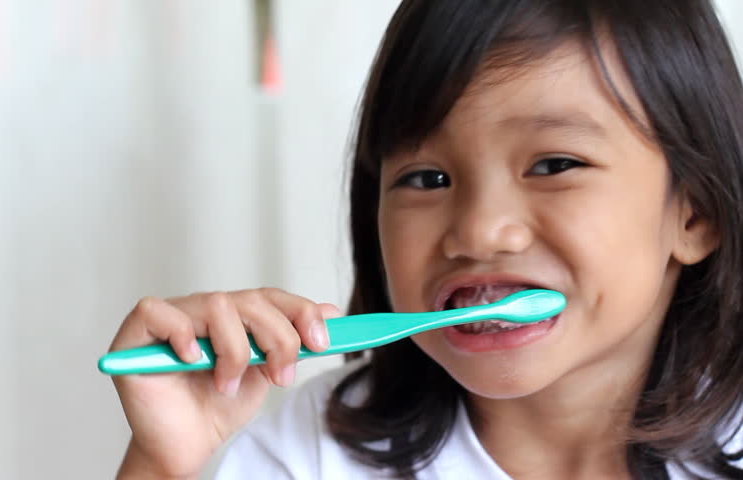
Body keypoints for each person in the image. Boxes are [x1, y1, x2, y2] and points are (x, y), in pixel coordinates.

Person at [107, 1, 743, 478]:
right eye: (426, 178)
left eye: (554, 166)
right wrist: (164, 463)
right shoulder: (310, 453)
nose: (478, 231)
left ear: (695, 213)